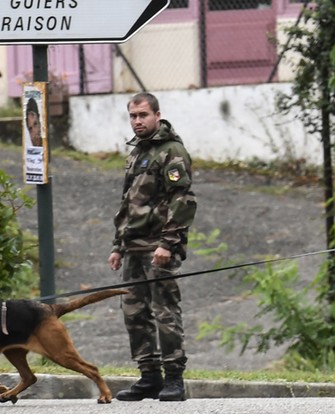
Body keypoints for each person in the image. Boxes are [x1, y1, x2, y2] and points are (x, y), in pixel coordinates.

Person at [108, 92, 197, 402]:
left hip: (158, 248)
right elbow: (128, 204)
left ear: (157, 115)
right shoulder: (136, 153)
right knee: (134, 313)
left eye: (143, 115)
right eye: (133, 116)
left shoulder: (171, 151)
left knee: (164, 312)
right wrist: (118, 245)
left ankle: (174, 378)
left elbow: (182, 200)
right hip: (133, 247)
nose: (137, 121)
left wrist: (168, 244)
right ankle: (149, 377)